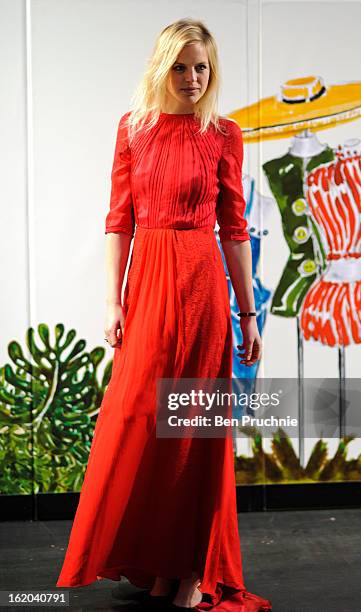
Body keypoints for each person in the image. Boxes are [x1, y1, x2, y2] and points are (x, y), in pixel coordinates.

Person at [56, 17, 271, 612]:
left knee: (193, 430)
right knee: (141, 420)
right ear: (161, 67)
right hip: (148, 283)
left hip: (203, 285)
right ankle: (157, 562)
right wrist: (111, 301)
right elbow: (118, 220)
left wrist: (247, 314)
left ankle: (191, 571)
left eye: (202, 67)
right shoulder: (134, 130)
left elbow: (233, 228)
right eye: (181, 66)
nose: (193, 78)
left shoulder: (224, 134)